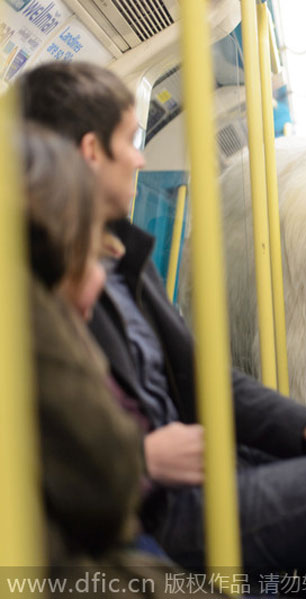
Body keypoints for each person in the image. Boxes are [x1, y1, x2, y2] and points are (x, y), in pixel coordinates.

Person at [20, 61, 306, 598]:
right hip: (156, 499)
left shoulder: (121, 252)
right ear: (90, 152)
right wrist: (142, 460)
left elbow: (198, 374)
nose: (140, 157)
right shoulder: (39, 273)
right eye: (129, 141)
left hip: (193, 455)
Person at [19, 123, 221, 598]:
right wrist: (146, 459)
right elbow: (104, 487)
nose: (140, 158)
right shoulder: (36, 328)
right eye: (88, 248)